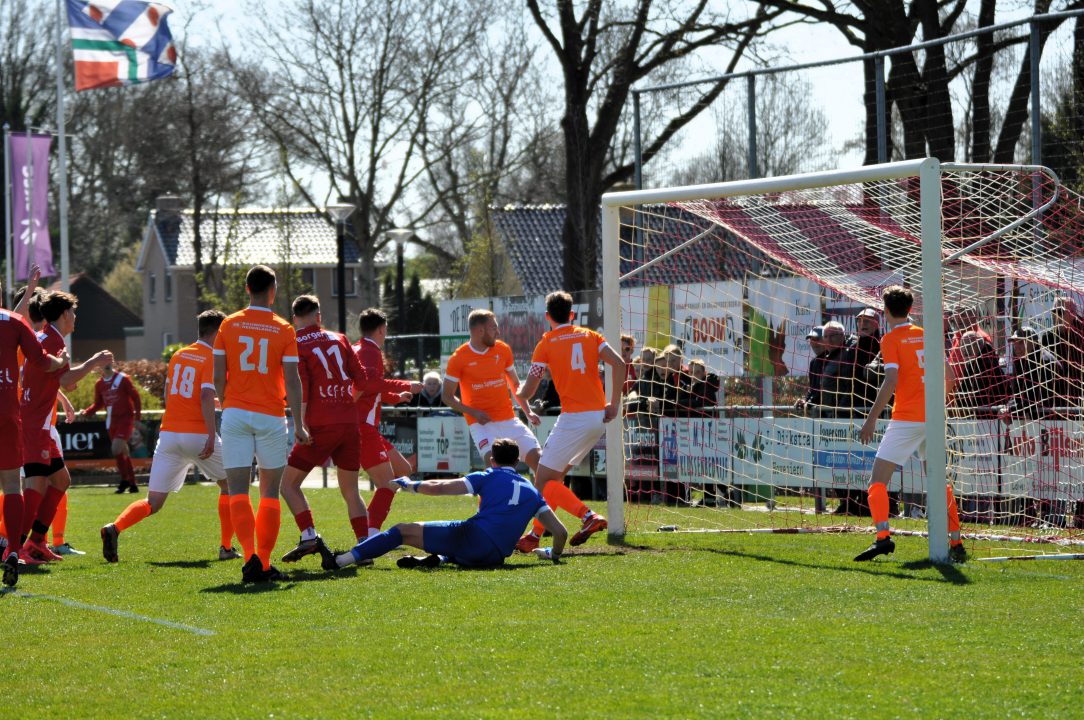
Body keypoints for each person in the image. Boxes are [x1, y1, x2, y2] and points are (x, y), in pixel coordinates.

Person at [100, 310, 240, 563]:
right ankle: (226, 547)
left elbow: (171, 394)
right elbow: (205, 396)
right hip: (196, 434)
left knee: (153, 501)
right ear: (217, 332)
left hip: (169, 434)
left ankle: (114, 528)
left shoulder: (179, 355)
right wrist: (211, 435)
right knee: (229, 485)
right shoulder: (211, 357)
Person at [319, 438, 567, 570]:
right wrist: (552, 554)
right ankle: (439, 558)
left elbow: (442, 487)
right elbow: (561, 532)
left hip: (473, 539)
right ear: (517, 462)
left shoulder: (489, 476)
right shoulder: (533, 491)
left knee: (401, 531)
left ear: (492, 460)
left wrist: (411, 485)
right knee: (455, 539)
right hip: (496, 557)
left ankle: (340, 561)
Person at [855, 286, 966, 563]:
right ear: (910, 309)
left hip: (906, 418)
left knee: (877, 481)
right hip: (934, 417)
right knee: (939, 482)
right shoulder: (927, 335)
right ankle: (956, 542)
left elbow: (891, 380)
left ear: (886, 311)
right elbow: (950, 377)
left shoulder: (890, 339)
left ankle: (882, 539)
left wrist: (870, 420)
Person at [213, 265, 309, 583]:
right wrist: (299, 422)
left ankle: (250, 557)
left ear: (246, 289)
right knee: (269, 492)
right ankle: (265, 564)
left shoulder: (229, 324)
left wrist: (228, 406)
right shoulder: (283, 328)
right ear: (273, 290)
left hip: (236, 414)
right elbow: (293, 381)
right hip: (271, 415)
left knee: (238, 489)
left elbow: (217, 375)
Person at [514, 291, 625, 551]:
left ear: (547, 316)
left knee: (541, 482)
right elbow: (619, 364)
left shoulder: (546, 342)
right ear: (572, 314)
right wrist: (614, 404)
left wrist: (517, 392)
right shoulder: (590, 336)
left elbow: (529, 391)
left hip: (573, 418)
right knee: (554, 483)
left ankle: (588, 516)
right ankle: (534, 536)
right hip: (597, 418)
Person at [19, 290, 113, 565]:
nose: (75, 317)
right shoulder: (50, 339)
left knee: (61, 481)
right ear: (63, 314)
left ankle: (36, 542)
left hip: (41, 425)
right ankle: (15, 547)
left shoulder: (53, 338)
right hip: (34, 424)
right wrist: (93, 362)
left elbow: (66, 381)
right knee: (35, 486)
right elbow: (66, 378)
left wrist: (84, 368)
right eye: (72, 312)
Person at [277, 295, 370, 562]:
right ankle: (365, 547)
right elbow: (362, 380)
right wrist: (346, 401)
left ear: (294, 319)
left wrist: (301, 424)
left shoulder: (295, 342)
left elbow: (301, 388)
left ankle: (308, 536)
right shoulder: (340, 338)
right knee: (351, 490)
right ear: (319, 316)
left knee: (289, 485)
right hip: (349, 422)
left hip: (320, 424)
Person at [0, 282, 67, 586]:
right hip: (9, 413)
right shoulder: (14, 322)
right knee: (14, 484)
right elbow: (41, 361)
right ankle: (14, 549)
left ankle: (22, 544)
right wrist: (63, 362)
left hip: (25, 418)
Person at [442, 309, 541, 470]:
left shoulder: (503, 350)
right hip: (482, 424)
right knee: (494, 466)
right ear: (480, 331)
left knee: (539, 461)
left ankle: (540, 496)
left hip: (509, 419)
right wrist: (474, 413)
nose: (498, 332)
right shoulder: (458, 358)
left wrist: (528, 411)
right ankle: (491, 495)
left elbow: (515, 385)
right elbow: (447, 397)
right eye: (493, 328)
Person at [353, 308, 421, 536]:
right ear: (382, 329)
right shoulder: (370, 351)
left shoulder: (357, 348)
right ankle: (371, 535)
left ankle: (370, 527)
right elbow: (370, 383)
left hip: (366, 426)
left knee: (403, 469)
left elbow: (369, 388)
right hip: (362, 427)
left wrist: (395, 397)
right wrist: (404, 385)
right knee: (387, 483)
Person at [81, 363, 142, 493]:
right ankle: (132, 484)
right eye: (104, 361)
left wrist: (137, 418)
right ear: (100, 366)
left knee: (116, 449)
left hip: (125, 419)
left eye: (109, 361)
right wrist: (87, 412)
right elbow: (98, 403)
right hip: (111, 422)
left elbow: (136, 397)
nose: (106, 364)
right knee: (122, 452)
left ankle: (124, 480)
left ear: (112, 363)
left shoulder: (123, 379)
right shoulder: (100, 384)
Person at [795, 325, 828, 413]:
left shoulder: (834, 359)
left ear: (826, 340)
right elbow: (813, 390)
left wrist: (810, 402)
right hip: (818, 413)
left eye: (817, 339)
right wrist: (805, 400)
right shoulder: (813, 363)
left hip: (833, 414)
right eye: (812, 340)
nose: (814, 343)